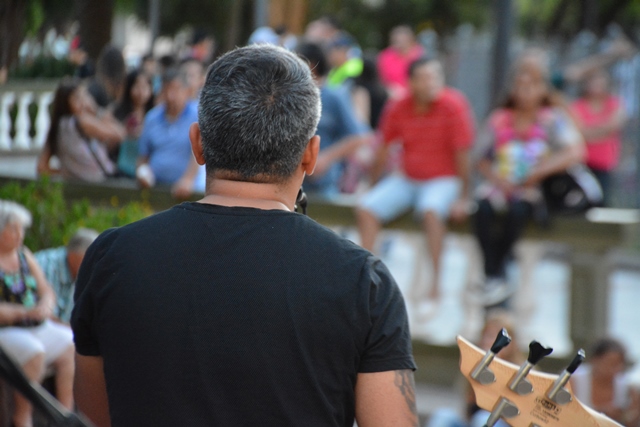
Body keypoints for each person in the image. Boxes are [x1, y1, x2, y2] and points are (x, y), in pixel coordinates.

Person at [72, 44, 418, 427]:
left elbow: (92, 417)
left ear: (198, 143)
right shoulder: (363, 284)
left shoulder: (112, 258)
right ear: (311, 154)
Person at [356, 58, 475, 310]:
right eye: (424, 77)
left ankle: (436, 284)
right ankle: (366, 278)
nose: (431, 83)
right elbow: (383, 149)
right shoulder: (398, 106)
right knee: (366, 207)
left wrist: (464, 196)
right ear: (410, 82)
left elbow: (463, 153)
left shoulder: (453, 105)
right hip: (407, 178)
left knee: (431, 211)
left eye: (435, 76)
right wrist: (373, 185)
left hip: (443, 179)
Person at [472, 51, 585, 306]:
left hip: (532, 191)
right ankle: (493, 274)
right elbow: (480, 157)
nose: (525, 92)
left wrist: (538, 172)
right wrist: (497, 179)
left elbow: (575, 151)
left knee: (518, 211)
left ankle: (499, 273)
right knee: (484, 209)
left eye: (532, 85)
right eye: (521, 85)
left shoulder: (552, 118)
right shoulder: (500, 118)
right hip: (501, 185)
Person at [0, 200, 75, 427]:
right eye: (13, 228)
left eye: (20, 228)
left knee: (70, 343)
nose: (19, 234)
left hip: (35, 325)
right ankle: (22, 417)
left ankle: (64, 413)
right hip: (7, 330)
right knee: (35, 352)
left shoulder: (24, 254)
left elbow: (45, 289)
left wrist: (46, 305)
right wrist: (24, 312)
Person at [295, 42, 370, 197]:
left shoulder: (335, 95)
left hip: (325, 183)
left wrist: (325, 159)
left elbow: (357, 137)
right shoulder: (290, 95)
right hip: (291, 182)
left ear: (311, 64)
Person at [427, 311, 520, 427]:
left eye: (500, 339)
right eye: (489, 336)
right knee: (443, 416)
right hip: (473, 422)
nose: (492, 342)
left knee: (483, 419)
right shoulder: (475, 367)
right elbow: (468, 410)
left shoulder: (524, 373)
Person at [37, 78, 125, 182]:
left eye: (85, 96)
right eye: (79, 97)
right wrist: (96, 110)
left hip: (77, 185)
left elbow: (41, 168)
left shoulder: (56, 128)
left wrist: (66, 173)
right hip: (101, 181)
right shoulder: (81, 121)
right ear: (66, 102)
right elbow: (120, 134)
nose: (84, 101)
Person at [136, 67, 203, 193]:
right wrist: (142, 173)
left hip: (188, 190)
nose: (170, 96)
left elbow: (199, 152)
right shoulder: (152, 118)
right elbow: (143, 156)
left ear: (186, 91)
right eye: (166, 90)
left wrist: (188, 179)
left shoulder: (197, 115)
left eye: (175, 90)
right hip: (153, 188)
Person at [570, 68, 626, 205]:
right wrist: (602, 131)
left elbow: (613, 126)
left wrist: (588, 132)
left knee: (602, 203)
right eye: (592, 80)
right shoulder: (576, 106)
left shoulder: (614, 104)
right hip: (581, 165)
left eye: (600, 81)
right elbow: (576, 132)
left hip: (604, 165)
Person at [34, 228, 99, 323]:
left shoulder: (81, 273)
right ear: (73, 255)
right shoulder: (46, 264)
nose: (94, 265)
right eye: (90, 259)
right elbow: (43, 315)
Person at [571, 338, 640, 426]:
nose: (616, 369)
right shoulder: (574, 380)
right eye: (611, 363)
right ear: (595, 360)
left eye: (619, 364)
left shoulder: (627, 389)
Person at [113, 70, 155, 178]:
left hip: (147, 172)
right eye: (137, 86)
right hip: (123, 168)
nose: (141, 92)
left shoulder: (155, 114)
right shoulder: (118, 112)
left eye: (145, 87)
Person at [377, 25, 424, 99]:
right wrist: (389, 89)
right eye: (395, 40)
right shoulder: (385, 56)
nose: (398, 42)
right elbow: (381, 79)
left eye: (401, 39)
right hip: (392, 95)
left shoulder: (420, 55)